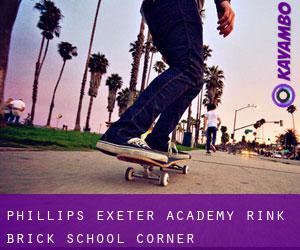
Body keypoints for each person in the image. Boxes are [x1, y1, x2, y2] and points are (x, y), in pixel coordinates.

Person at [97, 0, 235, 162]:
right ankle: (123, 131)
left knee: (195, 80)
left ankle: (157, 140)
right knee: (190, 68)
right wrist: (223, 3)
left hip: (161, 9)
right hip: (177, 5)